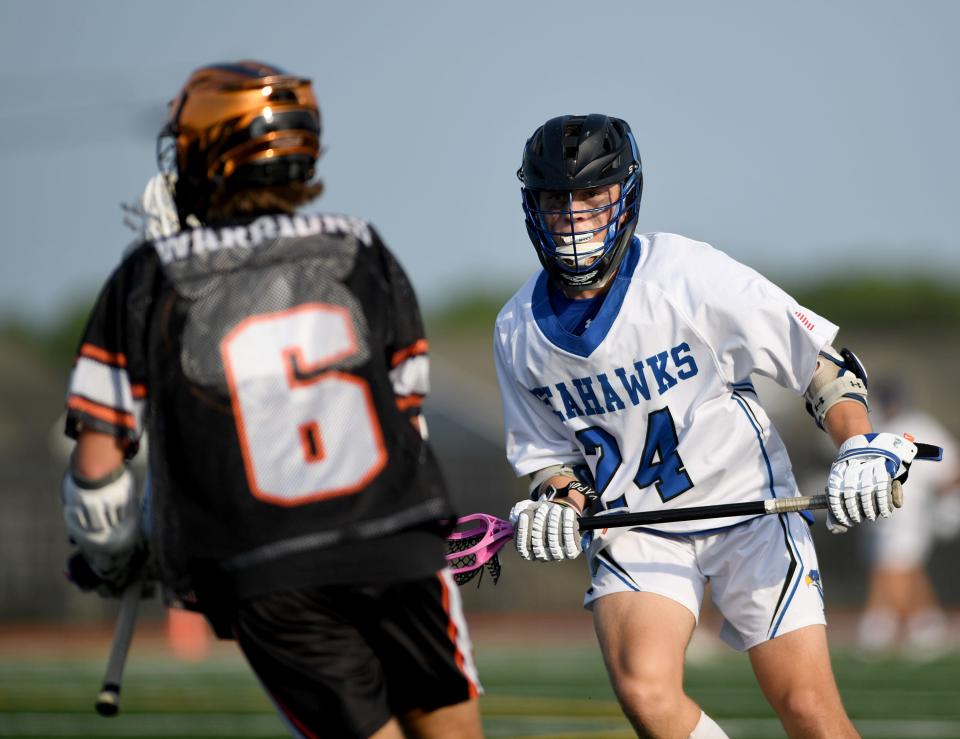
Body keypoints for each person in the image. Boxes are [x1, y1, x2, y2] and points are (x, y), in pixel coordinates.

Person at [60, 60, 484, 739]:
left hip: (269, 563)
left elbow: (99, 458)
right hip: (396, 542)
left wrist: (113, 553)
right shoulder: (360, 247)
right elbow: (406, 415)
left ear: (211, 152)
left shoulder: (153, 273)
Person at [493, 114, 930, 738]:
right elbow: (548, 456)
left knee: (808, 709)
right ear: (532, 205)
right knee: (647, 692)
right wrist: (557, 500)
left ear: (625, 193)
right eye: (556, 199)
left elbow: (821, 366)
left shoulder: (685, 273)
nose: (575, 214)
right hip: (640, 527)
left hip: (750, 510)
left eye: (592, 193)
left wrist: (859, 446)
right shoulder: (516, 330)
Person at [856, 378, 960, 654]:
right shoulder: (878, 427)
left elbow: (951, 468)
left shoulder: (920, 426)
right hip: (881, 514)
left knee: (893, 566)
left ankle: (878, 624)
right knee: (904, 567)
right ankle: (927, 624)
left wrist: (939, 502)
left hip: (910, 514)